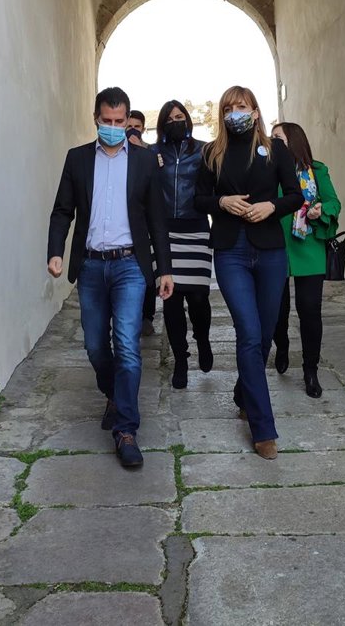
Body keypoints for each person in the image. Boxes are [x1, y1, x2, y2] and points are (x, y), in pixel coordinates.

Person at [48, 87, 174, 468]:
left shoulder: (145, 161)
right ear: (96, 119)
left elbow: (157, 218)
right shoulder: (77, 159)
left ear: (128, 120)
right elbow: (62, 210)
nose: (114, 127)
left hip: (129, 266)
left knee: (128, 346)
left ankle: (126, 430)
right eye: (108, 121)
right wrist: (55, 251)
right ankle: (116, 395)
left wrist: (164, 268)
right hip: (90, 266)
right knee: (94, 346)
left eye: (121, 121)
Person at [195, 86, 302, 459]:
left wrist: (272, 206)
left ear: (255, 112)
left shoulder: (276, 150)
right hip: (231, 252)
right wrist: (221, 202)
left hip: (270, 251)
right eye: (228, 108)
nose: (234, 113)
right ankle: (263, 429)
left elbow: (296, 195)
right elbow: (199, 199)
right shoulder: (211, 153)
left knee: (265, 335)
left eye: (241, 107)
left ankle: (244, 393)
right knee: (249, 333)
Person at [271, 122, 342, 398]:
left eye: (279, 138)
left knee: (309, 309)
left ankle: (310, 370)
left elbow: (334, 202)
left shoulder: (317, 170)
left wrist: (321, 209)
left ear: (294, 141)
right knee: (277, 310)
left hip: (309, 246)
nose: (273, 142)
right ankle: (282, 345)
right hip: (275, 246)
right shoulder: (269, 170)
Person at [152, 100, 214, 389]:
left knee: (199, 298)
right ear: (162, 125)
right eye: (169, 119)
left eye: (179, 117)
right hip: (164, 232)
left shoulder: (204, 150)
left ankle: (203, 339)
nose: (175, 122)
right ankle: (180, 359)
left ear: (187, 120)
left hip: (196, 228)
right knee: (171, 299)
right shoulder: (153, 153)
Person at [126, 110, 158, 335]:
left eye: (137, 126)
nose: (133, 130)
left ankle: (147, 315)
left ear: (143, 129)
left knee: (147, 269)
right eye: (129, 126)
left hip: (146, 223)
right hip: (127, 225)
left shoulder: (150, 153)